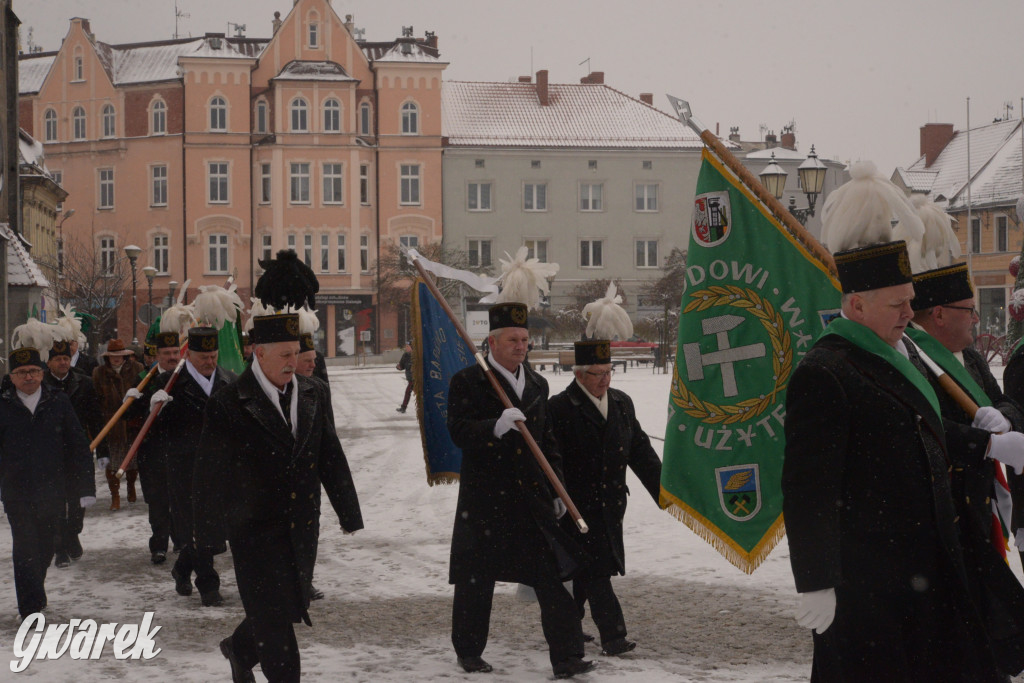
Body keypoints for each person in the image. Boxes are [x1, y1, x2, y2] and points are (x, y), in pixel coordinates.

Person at [782, 241, 1007, 680]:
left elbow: (925, 432)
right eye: (898, 303)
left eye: (911, 301)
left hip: (929, 564)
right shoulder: (825, 370)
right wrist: (815, 579)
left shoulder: (907, 353)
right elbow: (809, 490)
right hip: (867, 581)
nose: (910, 313)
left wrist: (989, 443)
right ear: (858, 304)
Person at [194, 311, 363, 683]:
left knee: (286, 606)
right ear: (259, 353)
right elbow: (210, 472)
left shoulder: (314, 392)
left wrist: (348, 512)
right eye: (284, 355)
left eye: (296, 352)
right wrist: (208, 535)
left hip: (301, 524)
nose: (293, 362)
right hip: (252, 528)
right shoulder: (229, 402)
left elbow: (329, 454)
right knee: (273, 620)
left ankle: (238, 649)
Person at [447, 302, 594, 679]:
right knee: (476, 581)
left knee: (552, 578)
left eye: (525, 339)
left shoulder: (537, 384)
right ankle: (468, 651)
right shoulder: (467, 381)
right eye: (512, 339)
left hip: (531, 499)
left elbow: (547, 441)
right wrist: (494, 427)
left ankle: (567, 656)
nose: (521, 346)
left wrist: (557, 488)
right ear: (492, 342)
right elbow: (458, 432)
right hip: (485, 500)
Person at [906, 263, 1024, 674]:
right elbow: (926, 427)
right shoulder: (913, 359)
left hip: (982, 507)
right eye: (968, 310)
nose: (976, 319)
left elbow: (1005, 401)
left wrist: (1004, 419)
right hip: (948, 513)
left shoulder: (970, 358)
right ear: (938, 314)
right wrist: (986, 442)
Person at [547, 339, 662, 657]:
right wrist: (554, 497)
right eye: (597, 373)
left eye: (608, 372)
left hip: (611, 505)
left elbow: (640, 451)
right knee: (597, 569)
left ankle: (566, 624)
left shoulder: (622, 403)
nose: (605, 379)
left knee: (586, 570)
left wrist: (664, 491)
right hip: (576, 508)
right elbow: (549, 458)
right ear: (579, 374)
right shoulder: (559, 408)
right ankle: (613, 637)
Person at [140, 327, 235, 607]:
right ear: (188, 354)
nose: (210, 361)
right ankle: (208, 585)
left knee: (214, 530)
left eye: (214, 356)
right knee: (197, 529)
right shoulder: (170, 384)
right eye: (204, 356)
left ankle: (182, 568)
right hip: (185, 469)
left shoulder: (229, 381)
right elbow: (153, 433)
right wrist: (153, 409)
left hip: (220, 468)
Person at [0, 346, 95, 620]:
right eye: (21, 373)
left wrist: (86, 487)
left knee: (46, 546)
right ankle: (28, 610)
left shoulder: (58, 400)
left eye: (32, 371)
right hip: (17, 491)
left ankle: (35, 594)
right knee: (25, 548)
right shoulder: (4, 404)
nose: (28, 377)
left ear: (41, 373)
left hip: (54, 489)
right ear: (12, 377)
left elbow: (78, 445)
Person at [43, 337, 107, 568]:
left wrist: (103, 450)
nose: (63, 362)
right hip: (50, 452)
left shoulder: (84, 382)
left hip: (79, 450)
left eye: (66, 358)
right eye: (58, 359)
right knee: (56, 500)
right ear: (48, 362)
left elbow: (95, 418)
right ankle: (60, 547)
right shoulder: (41, 385)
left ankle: (73, 532)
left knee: (79, 498)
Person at [130, 331, 182, 564]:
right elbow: (129, 418)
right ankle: (159, 545)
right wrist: (136, 402)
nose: (172, 357)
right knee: (158, 500)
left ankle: (181, 540)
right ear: (157, 355)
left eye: (175, 352)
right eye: (166, 353)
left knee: (181, 498)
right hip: (153, 451)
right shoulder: (144, 381)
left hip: (180, 449)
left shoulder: (186, 378)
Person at [92, 339, 144, 510]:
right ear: (108, 357)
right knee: (112, 463)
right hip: (111, 424)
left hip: (131, 423)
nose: (116, 359)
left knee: (132, 461)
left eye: (120, 356)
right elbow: (97, 399)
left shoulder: (137, 369)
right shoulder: (99, 373)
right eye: (113, 356)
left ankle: (130, 487)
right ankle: (115, 495)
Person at [396, 342, 413, 413]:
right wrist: (399, 367)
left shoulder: (416, 356)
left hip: (415, 380)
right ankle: (403, 407)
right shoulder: (405, 355)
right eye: (406, 346)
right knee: (407, 392)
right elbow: (402, 365)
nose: (406, 348)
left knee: (408, 392)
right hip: (410, 379)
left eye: (408, 346)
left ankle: (403, 407)